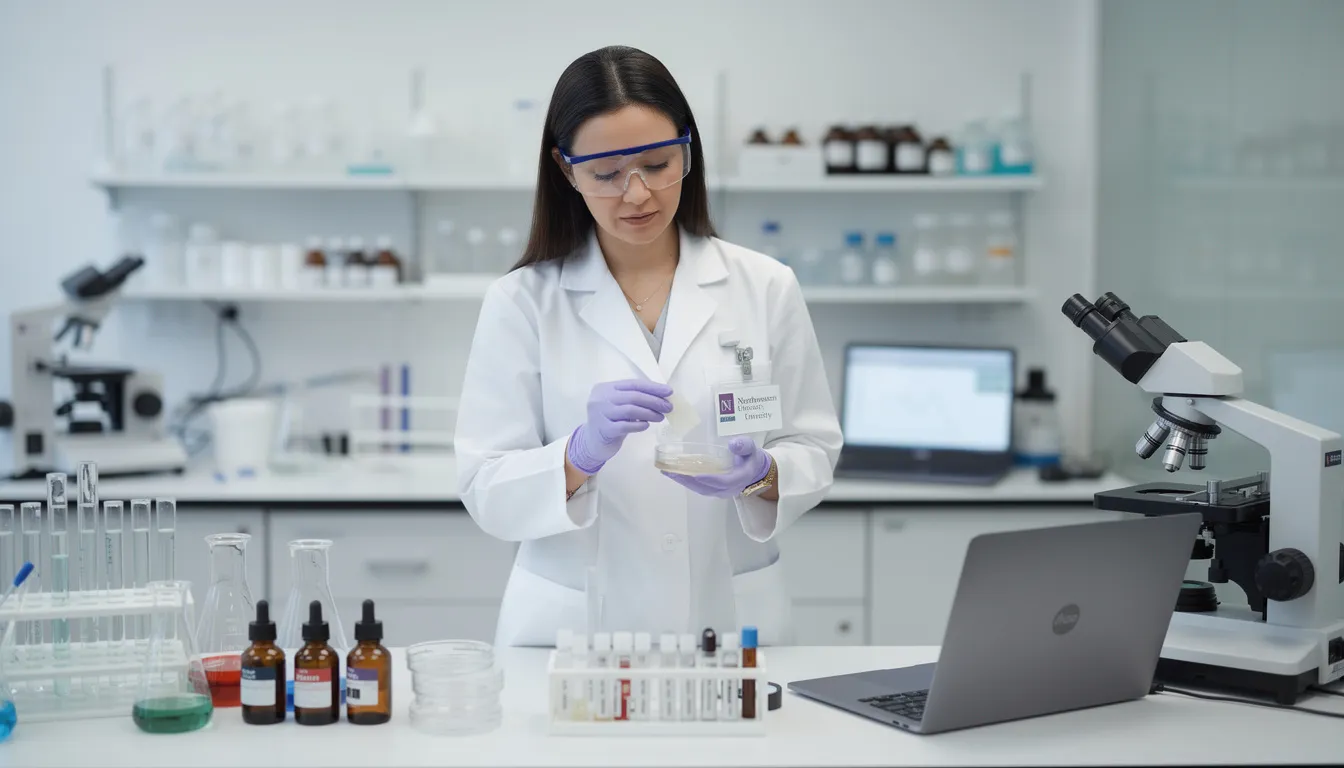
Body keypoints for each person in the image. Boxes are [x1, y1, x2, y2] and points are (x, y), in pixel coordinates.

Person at [455, 45, 842, 647]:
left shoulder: (765, 286)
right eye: (607, 174)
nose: (637, 195)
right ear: (566, 170)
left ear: (688, 153)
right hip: (575, 630)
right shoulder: (523, 301)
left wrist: (762, 474)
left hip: (732, 615)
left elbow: (813, 446)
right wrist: (579, 454)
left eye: (659, 164)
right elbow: (485, 485)